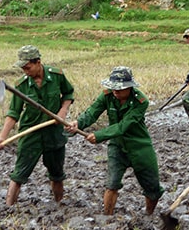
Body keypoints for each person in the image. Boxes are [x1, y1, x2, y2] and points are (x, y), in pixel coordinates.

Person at [66, 66, 164, 216]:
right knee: (112, 184)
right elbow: (92, 112)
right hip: (117, 146)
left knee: (152, 188)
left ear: (130, 87)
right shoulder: (107, 96)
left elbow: (123, 126)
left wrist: (99, 135)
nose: (115, 92)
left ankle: (149, 215)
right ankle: (107, 217)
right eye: (113, 88)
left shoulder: (140, 101)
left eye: (119, 89)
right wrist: (78, 123)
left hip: (139, 146)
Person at [0, 45, 74, 206]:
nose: (26, 71)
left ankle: (59, 205)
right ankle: (8, 208)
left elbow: (68, 94)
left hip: (54, 133)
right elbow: (13, 113)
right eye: (23, 68)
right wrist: (2, 137)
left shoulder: (56, 75)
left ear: (38, 62)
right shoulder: (21, 85)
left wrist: (63, 111)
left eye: (28, 67)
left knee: (57, 175)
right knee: (19, 174)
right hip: (31, 134)